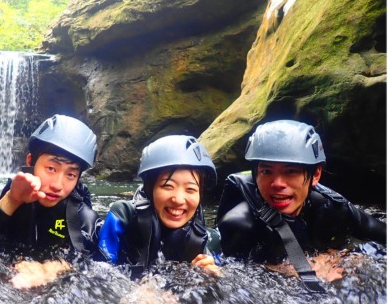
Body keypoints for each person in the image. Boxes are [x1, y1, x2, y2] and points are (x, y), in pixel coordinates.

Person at [216, 120, 386, 292]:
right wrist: (284, 270)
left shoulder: (332, 207)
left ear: (316, 174)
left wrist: (347, 258)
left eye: (291, 171)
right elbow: (235, 280)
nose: (277, 183)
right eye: (266, 171)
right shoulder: (239, 223)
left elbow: (380, 233)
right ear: (255, 175)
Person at [0, 115, 99, 286]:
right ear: (30, 161)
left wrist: (48, 270)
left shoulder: (82, 216)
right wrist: (12, 200)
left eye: (71, 175)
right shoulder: (10, 193)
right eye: (51, 168)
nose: (57, 185)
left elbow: (88, 263)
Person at [97, 135, 221, 278]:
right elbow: (99, 275)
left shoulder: (210, 239)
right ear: (150, 189)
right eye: (168, 186)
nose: (178, 199)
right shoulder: (123, 217)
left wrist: (212, 279)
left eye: (190, 189)